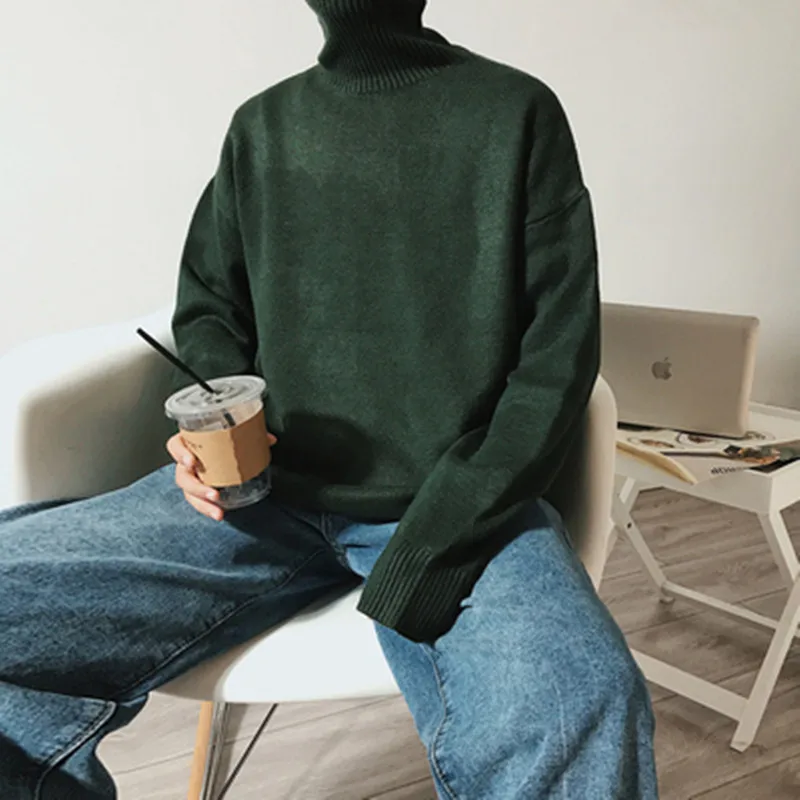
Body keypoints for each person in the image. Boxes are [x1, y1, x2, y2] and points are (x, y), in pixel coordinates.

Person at [0, 1, 659, 797]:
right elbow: (209, 308)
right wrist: (209, 423)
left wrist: (438, 543)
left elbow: (558, 357)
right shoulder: (262, 127)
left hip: (454, 507)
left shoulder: (516, 111)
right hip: (260, 498)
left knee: (581, 702)